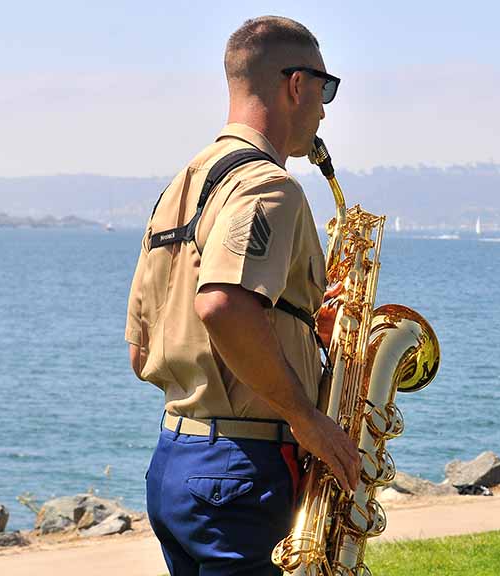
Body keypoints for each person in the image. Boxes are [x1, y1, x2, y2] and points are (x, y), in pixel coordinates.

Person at [124, 16, 360, 575]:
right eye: (325, 89)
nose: (325, 109)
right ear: (295, 85)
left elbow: (140, 353)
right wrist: (308, 419)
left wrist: (300, 328)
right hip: (243, 468)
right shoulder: (268, 185)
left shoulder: (179, 188)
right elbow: (223, 304)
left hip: (175, 461)